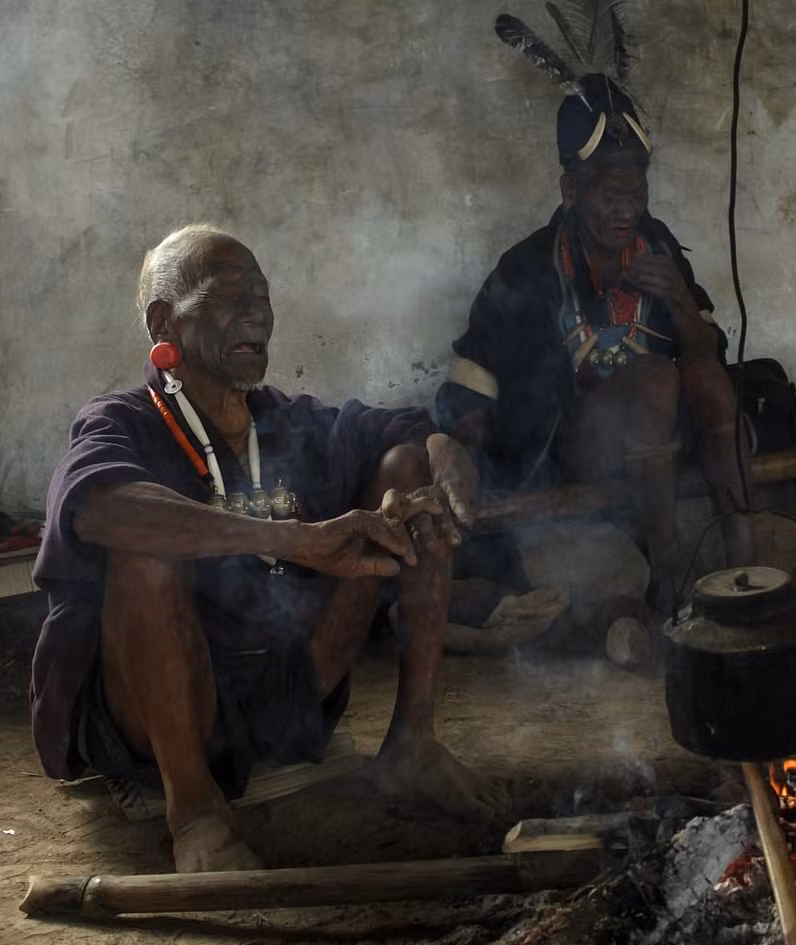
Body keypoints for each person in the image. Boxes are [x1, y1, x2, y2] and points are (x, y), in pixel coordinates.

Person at [31, 225, 507, 873]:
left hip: (288, 694)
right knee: (144, 547)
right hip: (167, 708)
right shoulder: (121, 422)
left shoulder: (289, 421)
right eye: (229, 294)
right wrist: (296, 540)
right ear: (164, 322)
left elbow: (398, 428)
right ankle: (194, 811)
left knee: (405, 470)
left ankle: (411, 744)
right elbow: (99, 508)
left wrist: (441, 448)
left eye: (261, 294)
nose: (256, 310)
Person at [436, 74, 753, 653]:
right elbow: (469, 381)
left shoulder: (655, 244)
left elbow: (709, 358)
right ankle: (669, 576)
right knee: (655, 375)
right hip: (574, 449)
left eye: (637, 194)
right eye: (611, 194)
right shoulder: (527, 269)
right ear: (571, 190)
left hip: (660, 445)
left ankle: (747, 562)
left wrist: (680, 301)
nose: (626, 210)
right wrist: (461, 451)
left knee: (699, 376)